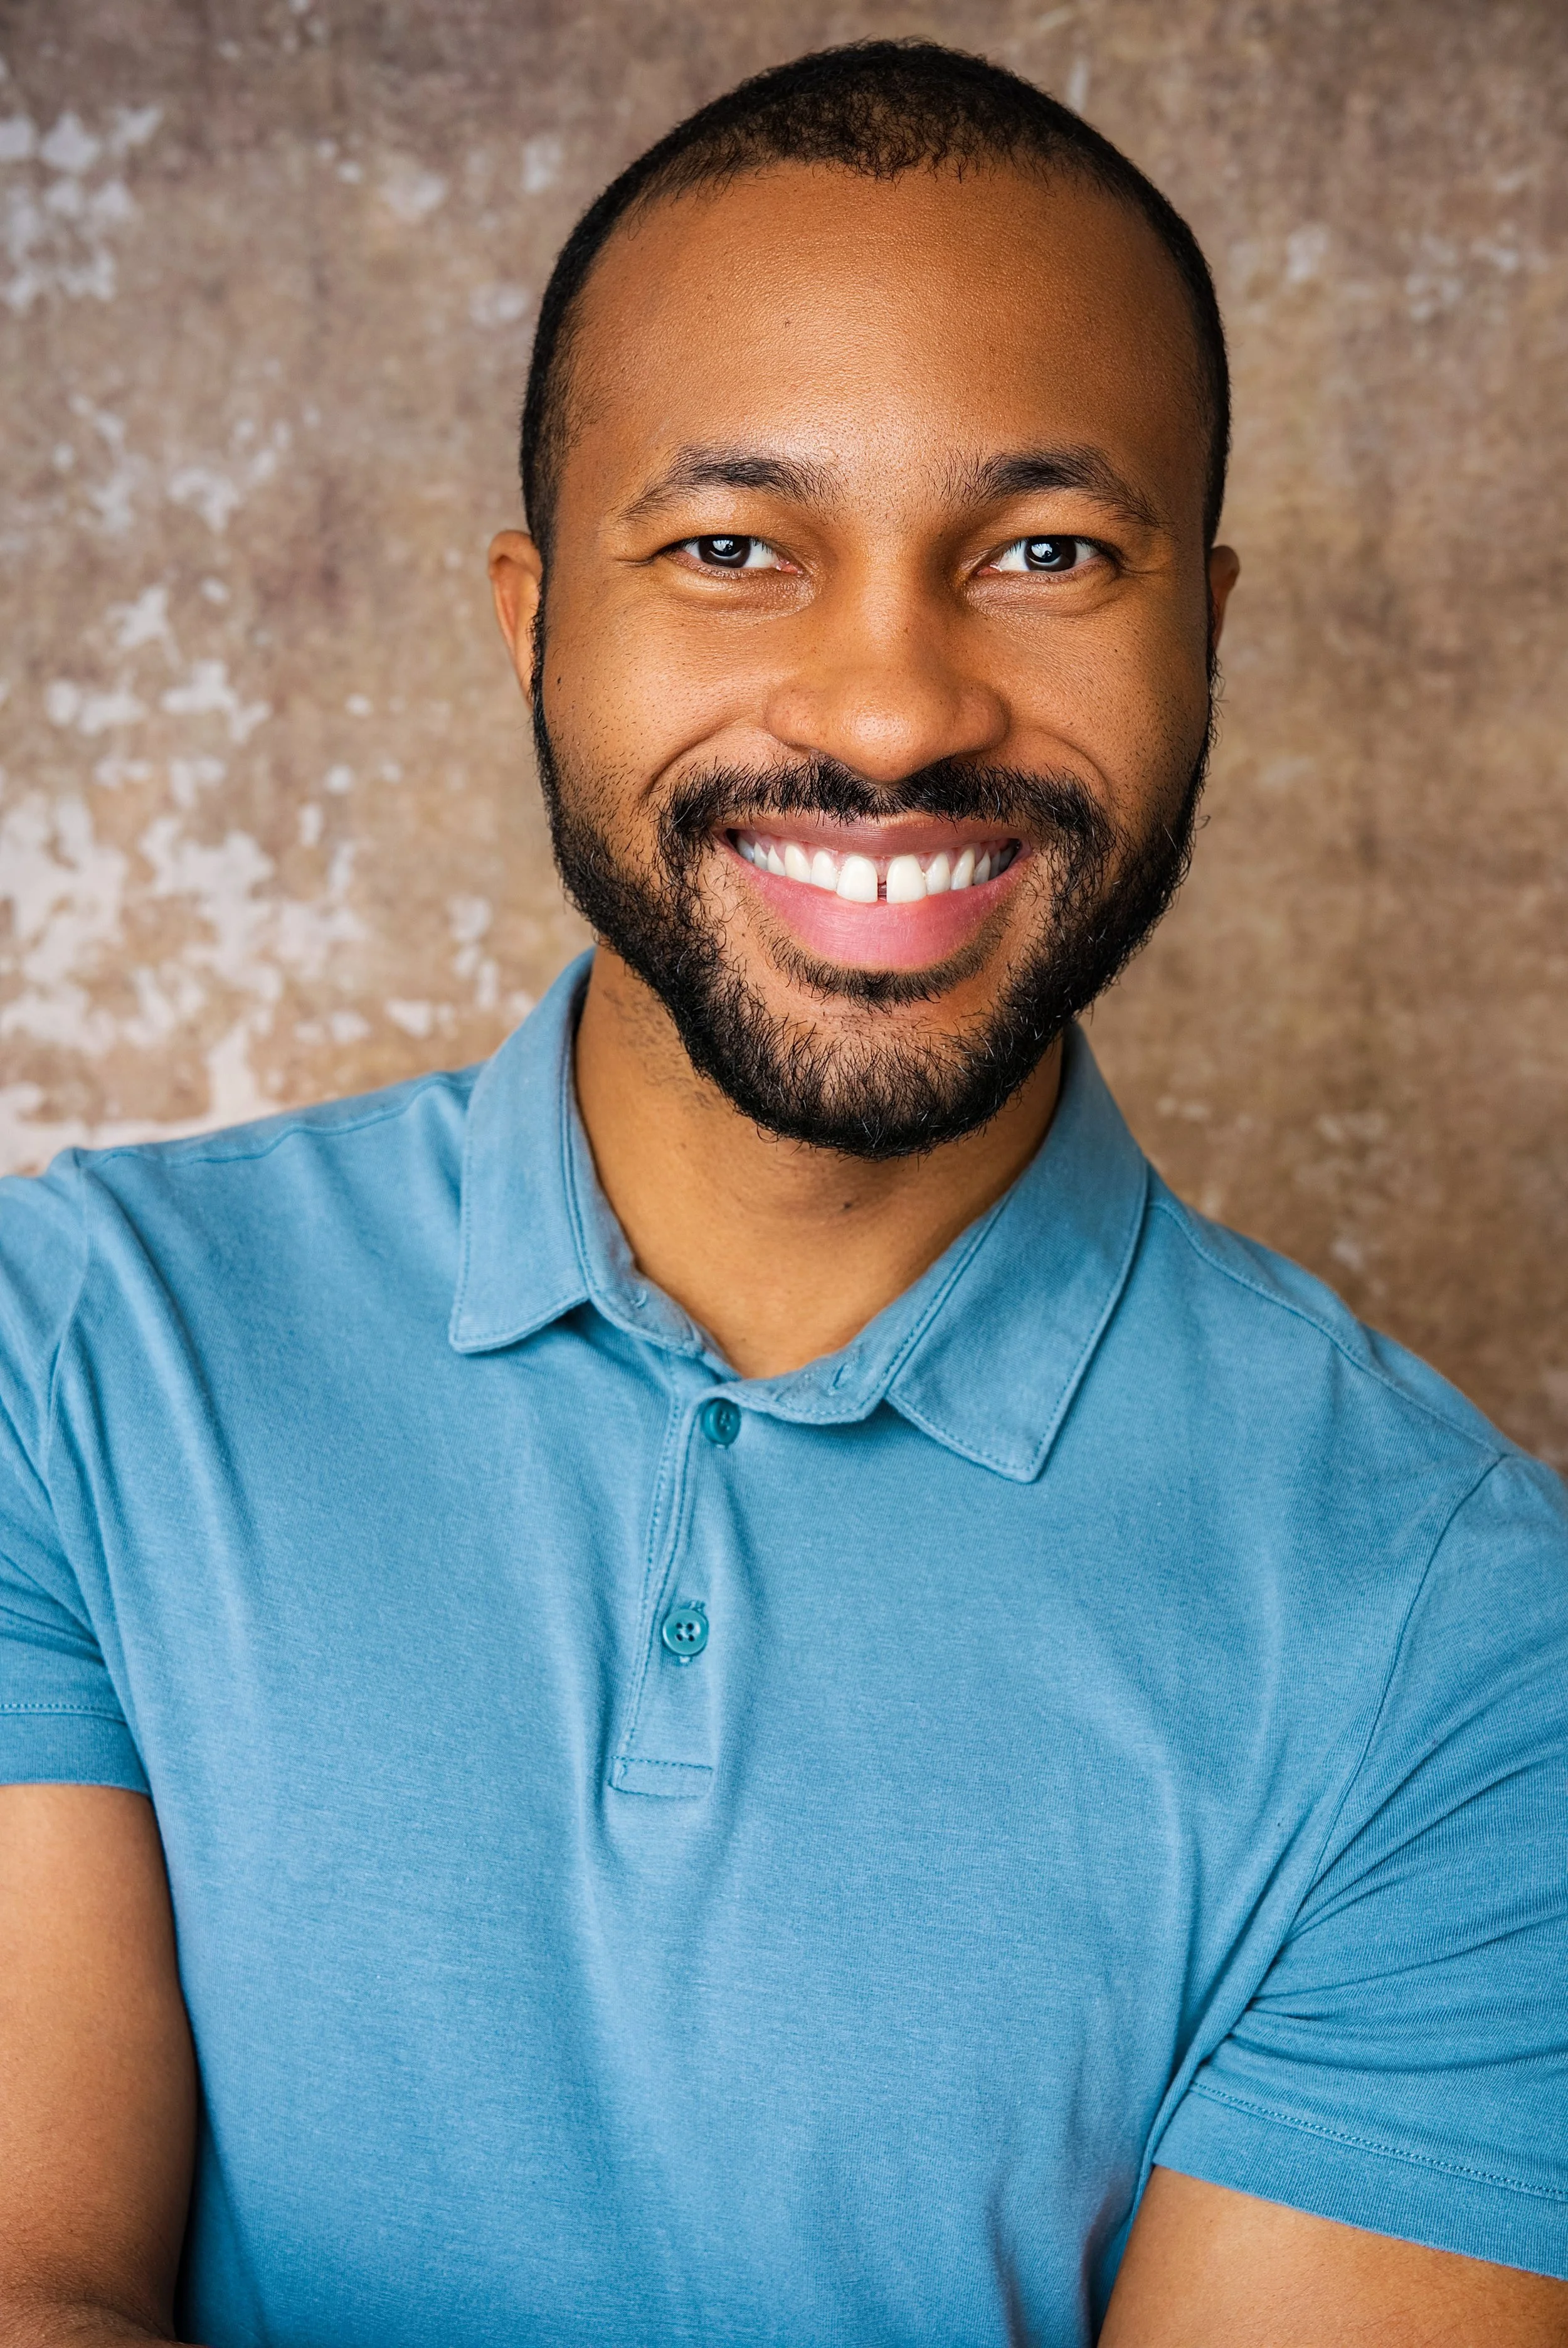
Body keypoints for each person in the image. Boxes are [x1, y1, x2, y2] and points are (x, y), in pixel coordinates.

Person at [1, 38, 1564, 2348]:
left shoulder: (1472, 1659)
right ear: (536, 619)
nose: (901, 703)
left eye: (1045, 553)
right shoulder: (70, 1356)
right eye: (732, 547)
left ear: (1206, 629)